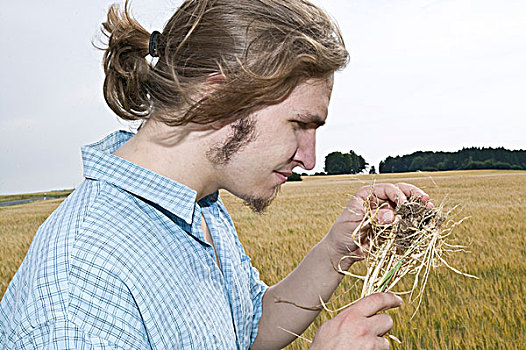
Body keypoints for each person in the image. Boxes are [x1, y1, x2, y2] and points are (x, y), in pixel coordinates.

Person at [0, 0, 431, 349]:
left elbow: (250, 329)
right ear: (218, 96)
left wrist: (337, 249)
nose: (309, 158)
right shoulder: (79, 292)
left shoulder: (198, 203)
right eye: (299, 125)